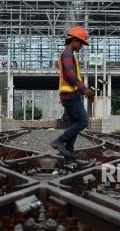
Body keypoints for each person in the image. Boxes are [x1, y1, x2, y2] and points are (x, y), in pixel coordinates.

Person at [50, 26, 94, 160]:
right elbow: (70, 75)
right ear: (74, 40)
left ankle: (69, 152)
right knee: (83, 121)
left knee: (75, 122)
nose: (81, 46)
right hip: (70, 95)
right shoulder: (68, 53)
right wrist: (84, 89)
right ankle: (59, 141)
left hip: (68, 95)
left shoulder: (68, 54)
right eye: (81, 43)